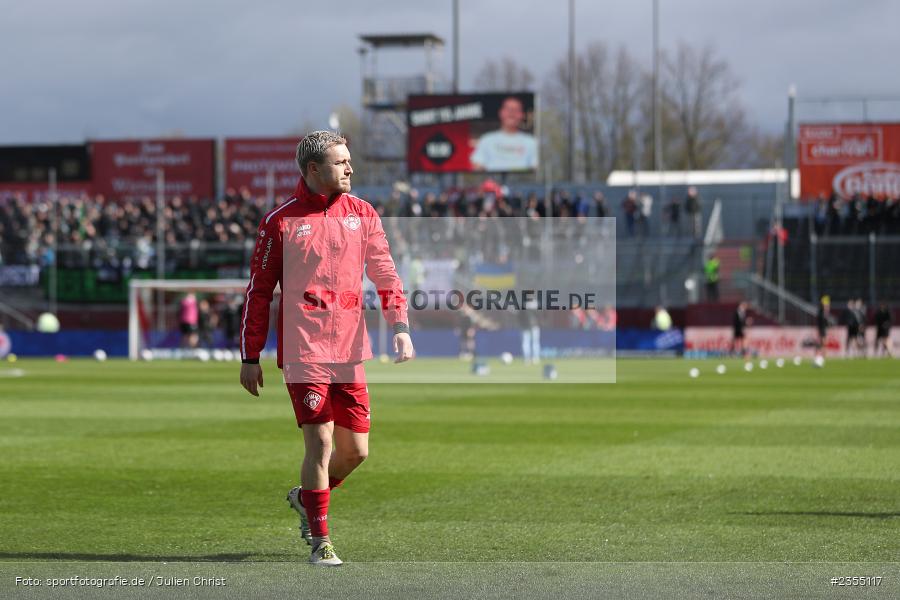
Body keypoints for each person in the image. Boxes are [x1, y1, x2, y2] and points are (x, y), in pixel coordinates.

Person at [239, 131, 414, 566]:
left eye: (350, 161)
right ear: (314, 170)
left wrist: (400, 325)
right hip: (304, 349)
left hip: (351, 349)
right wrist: (250, 354)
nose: (350, 169)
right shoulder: (279, 222)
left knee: (356, 451)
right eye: (341, 163)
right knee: (319, 442)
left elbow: (386, 275)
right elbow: (258, 292)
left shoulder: (364, 214)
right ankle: (321, 541)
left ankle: (306, 498)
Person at [470, 96, 538, 172]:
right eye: (508, 109)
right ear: (501, 113)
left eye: (516, 110)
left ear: (522, 115)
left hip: (522, 182)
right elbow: (477, 164)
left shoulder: (532, 142)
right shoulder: (487, 139)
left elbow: (535, 167)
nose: (511, 113)